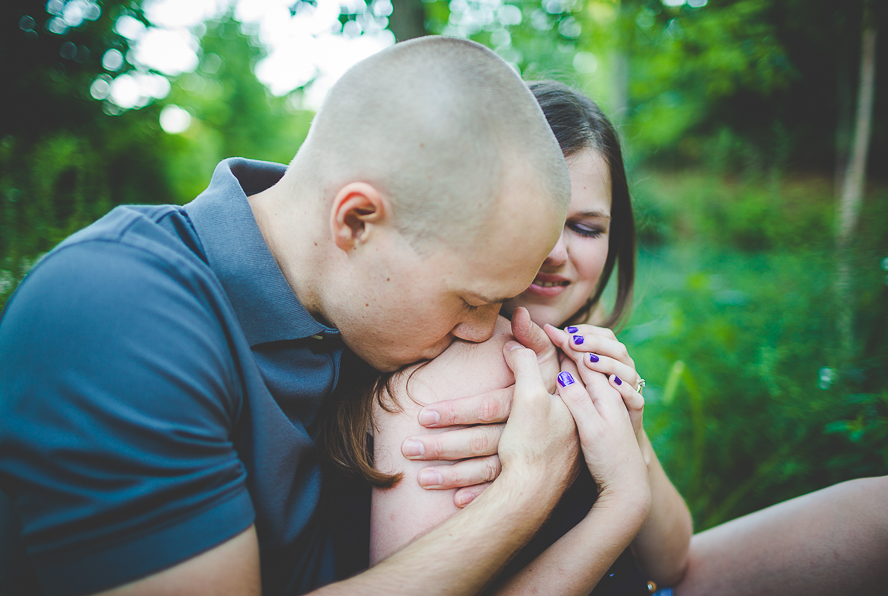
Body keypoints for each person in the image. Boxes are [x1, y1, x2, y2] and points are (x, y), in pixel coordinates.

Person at [0, 37, 586, 596]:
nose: (483, 331)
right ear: (355, 221)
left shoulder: (356, 313)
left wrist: (617, 496)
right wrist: (526, 488)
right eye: (471, 301)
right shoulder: (114, 313)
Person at [338, 80, 888, 595]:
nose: (556, 250)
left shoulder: (581, 354)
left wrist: (631, 440)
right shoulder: (442, 379)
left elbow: (672, 560)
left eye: (586, 228)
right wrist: (617, 504)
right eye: (536, 218)